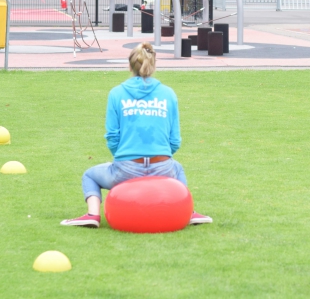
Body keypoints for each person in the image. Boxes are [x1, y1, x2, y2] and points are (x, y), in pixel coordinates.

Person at [61, 43, 212, 228]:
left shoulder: (116, 93)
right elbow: (174, 141)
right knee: (177, 168)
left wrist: (124, 156)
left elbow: (112, 136)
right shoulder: (168, 94)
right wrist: (159, 155)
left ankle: (93, 214)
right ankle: (189, 212)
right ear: (153, 65)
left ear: (130, 66)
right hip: (163, 166)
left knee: (90, 176)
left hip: (127, 168)